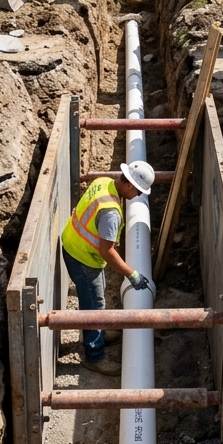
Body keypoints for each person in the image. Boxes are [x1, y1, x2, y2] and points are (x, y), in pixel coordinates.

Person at [60, 160, 155, 376]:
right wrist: (131, 274)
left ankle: (100, 330)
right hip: (82, 256)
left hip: (74, 242)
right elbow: (107, 251)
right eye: (139, 191)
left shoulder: (104, 182)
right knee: (93, 305)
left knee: (98, 295)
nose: (139, 196)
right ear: (130, 185)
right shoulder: (111, 212)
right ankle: (94, 356)